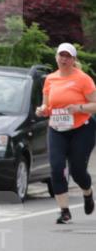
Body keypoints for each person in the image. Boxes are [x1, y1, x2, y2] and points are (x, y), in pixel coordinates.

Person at [35, 42, 96, 224]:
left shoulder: (83, 79)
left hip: (81, 129)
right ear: (56, 58)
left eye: (68, 56)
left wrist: (78, 108)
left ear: (73, 59)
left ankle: (88, 192)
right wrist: (43, 110)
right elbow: (47, 105)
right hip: (56, 129)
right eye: (61, 55)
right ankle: (64, 211)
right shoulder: (50, 79)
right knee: (56, 168)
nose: (64, 59)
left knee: (77, 170)